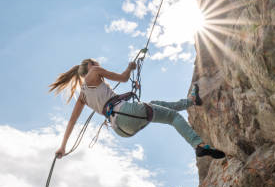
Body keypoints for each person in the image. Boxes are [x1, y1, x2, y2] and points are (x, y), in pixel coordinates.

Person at [49, 58, 226, 159]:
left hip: (121, 128)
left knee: (157, 105)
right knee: (172, 117)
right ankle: (199, 144)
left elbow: (72, 122)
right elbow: (124, 78)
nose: (97, 64)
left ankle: (191, 101)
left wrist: (62, 147)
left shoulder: (82, 96)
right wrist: (130, 67)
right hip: (125, 112)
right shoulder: (95, 71)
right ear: (89, 65)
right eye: (95, 62)